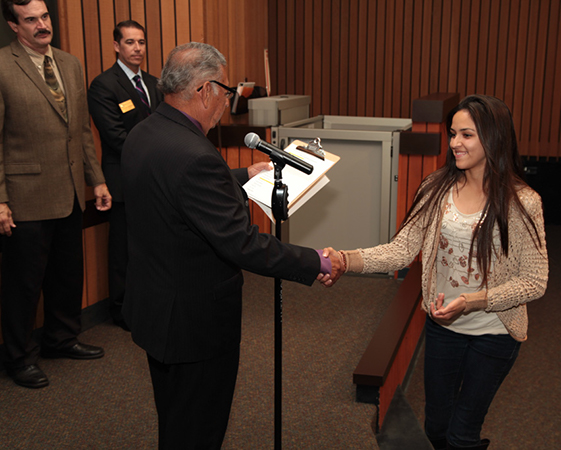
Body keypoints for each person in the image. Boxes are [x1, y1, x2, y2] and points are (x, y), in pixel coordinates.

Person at [121, 42, 341, 449]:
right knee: (199, 430)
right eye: (225, 90)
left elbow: (176, 192)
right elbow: (243, 244)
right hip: (195, 325)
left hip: (156, 310)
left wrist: (240, 174)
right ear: (204, 89)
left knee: (175, 420)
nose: (226, 100)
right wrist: (317, 262)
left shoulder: (144, 134)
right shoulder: (195, 156)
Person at [326, 95, 548, 449]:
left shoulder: (522, 202)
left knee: (462, 436)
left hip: (494, 333)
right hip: (444, 328)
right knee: (436, 427)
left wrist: (474, 301)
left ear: (494, 138)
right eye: (453, 133)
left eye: (467, 135)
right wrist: (345, 259)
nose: (455, 143)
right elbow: (401, 250)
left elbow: (535, 281)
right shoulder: (435, 188)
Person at [0, 0, 112, 389]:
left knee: (66, 274)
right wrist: (0, 199)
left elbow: (81, 129)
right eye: (31, 20)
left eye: (45, 17)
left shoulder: (69, 63)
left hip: (68, 192)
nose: (42, 25)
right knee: (23, 284)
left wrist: (95, 179)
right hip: (24, 195)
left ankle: (61, 339)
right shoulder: (2, 66)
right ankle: (17, 358)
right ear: (14, 26)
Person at [88, 20, 163, 330]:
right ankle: (121, 310)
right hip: (122, 179)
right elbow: (115, 136)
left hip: (154, 179)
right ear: (117, 46)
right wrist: (158, 152)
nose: (137, 48)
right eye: (130, 42)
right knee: (123, 251)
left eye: (141, 42)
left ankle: (148, 303)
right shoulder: (104, 85)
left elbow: (163, 125)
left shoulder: (155, 82)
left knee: (151, 246)